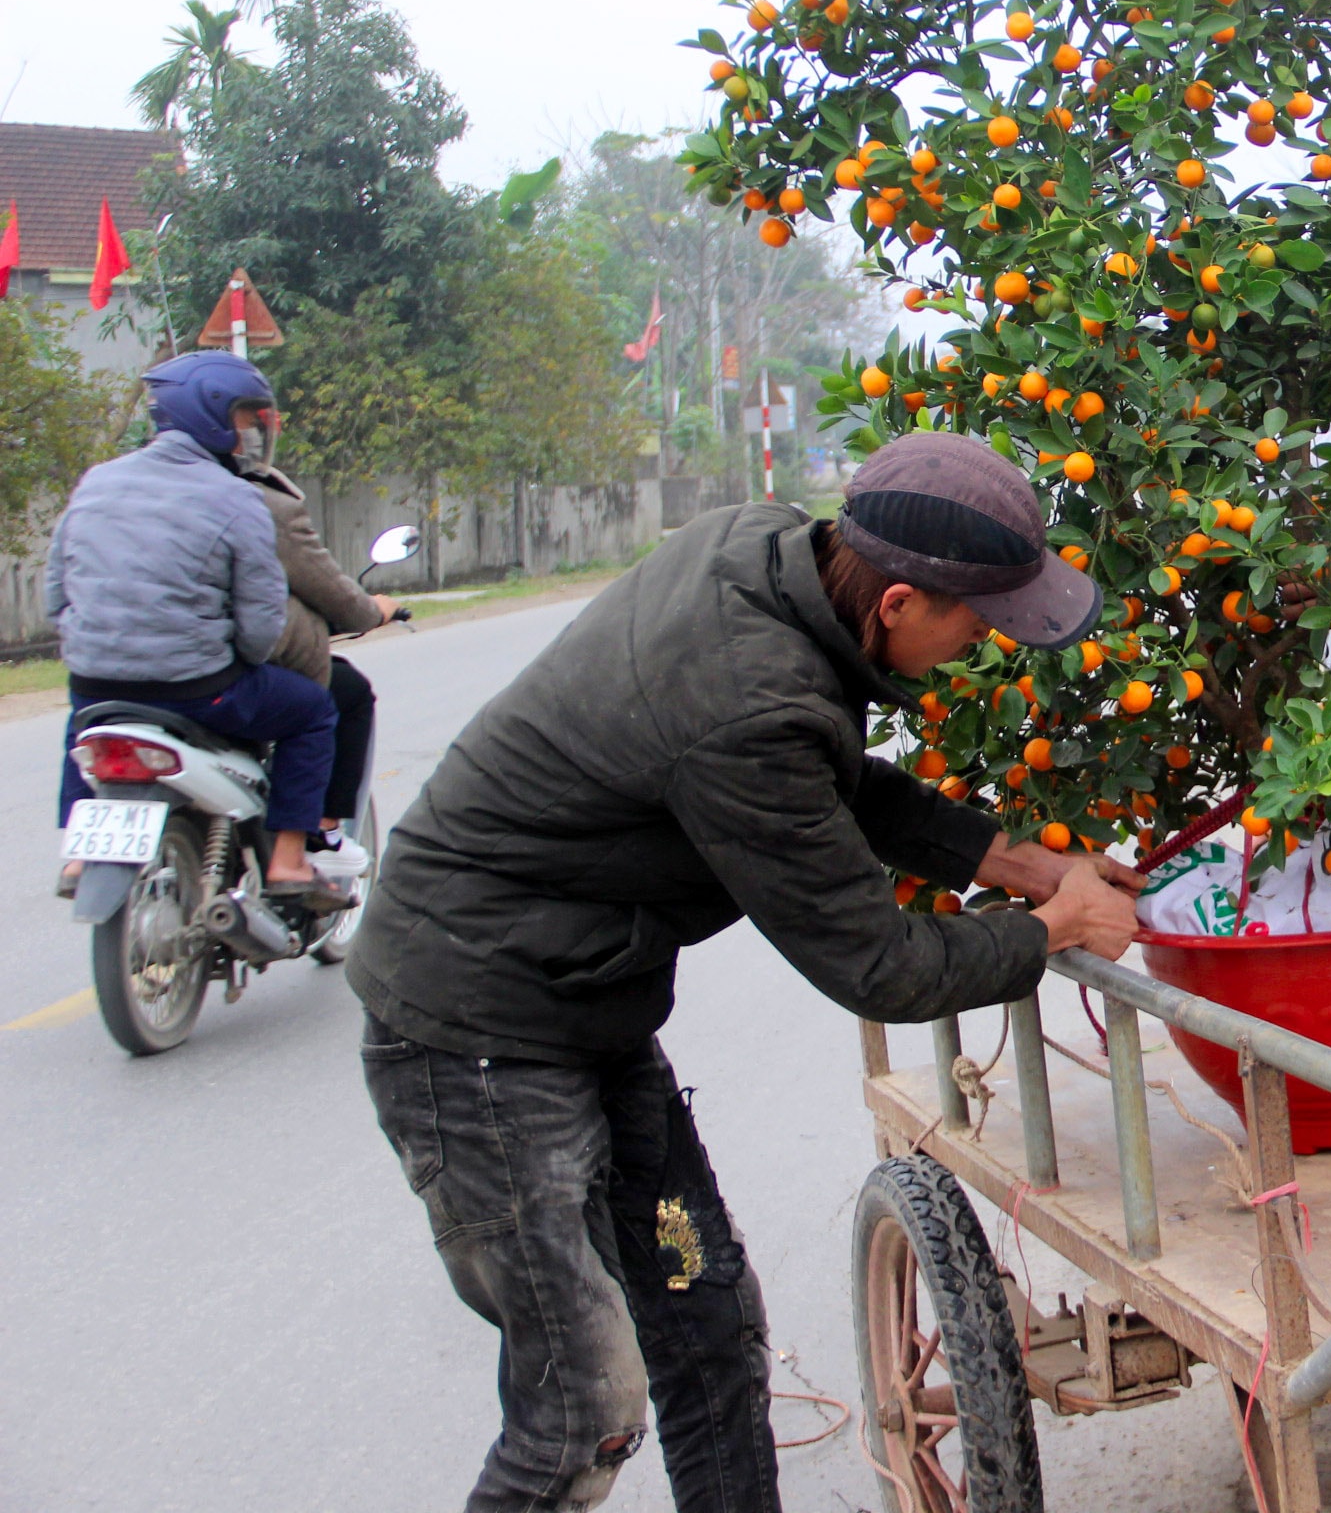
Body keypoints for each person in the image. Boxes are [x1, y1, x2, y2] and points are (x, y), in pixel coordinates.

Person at [351, 432, 1143, 1513]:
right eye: (979, 622)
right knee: (584, 1409)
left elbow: (829, 780)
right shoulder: (747, 705)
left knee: (706, 1319)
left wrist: (1021, 862)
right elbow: (882, 965)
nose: (986, 645)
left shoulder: (774, 554)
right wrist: (1051, 929)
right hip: (474, 1037)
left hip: (587, 1006)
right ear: (901, 600)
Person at [48, 350, 347, 900]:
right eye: (243, 420)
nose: (250, 435)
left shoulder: (95, 482)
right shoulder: (236, 497)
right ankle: (287, 860)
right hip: (199, 693)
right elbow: (260, 628)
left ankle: (77, 853)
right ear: (209, 416)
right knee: (313, 712)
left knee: (84, 718)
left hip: (96, 685)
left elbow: (55, 597)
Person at [230, 421, 403, 873]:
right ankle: (314, 840)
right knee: (327, 700)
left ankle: (79, 857)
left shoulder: (113, 492)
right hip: (213, 673)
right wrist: (369, 611)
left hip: (106, 674)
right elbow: (312, 592)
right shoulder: (259, 503)